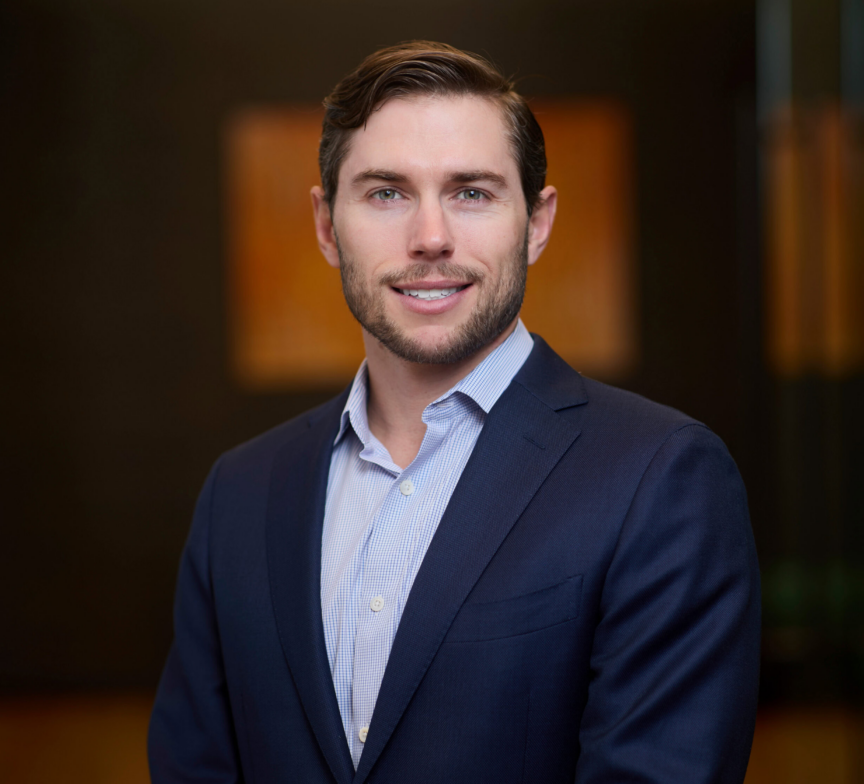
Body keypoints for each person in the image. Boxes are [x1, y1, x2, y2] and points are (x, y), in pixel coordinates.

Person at [148, 41, 760, 784]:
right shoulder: (240, 495)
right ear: (325, 225)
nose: (431, 237)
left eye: (471, 192)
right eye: (386, 193)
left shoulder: (661, 478)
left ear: (536, 221)